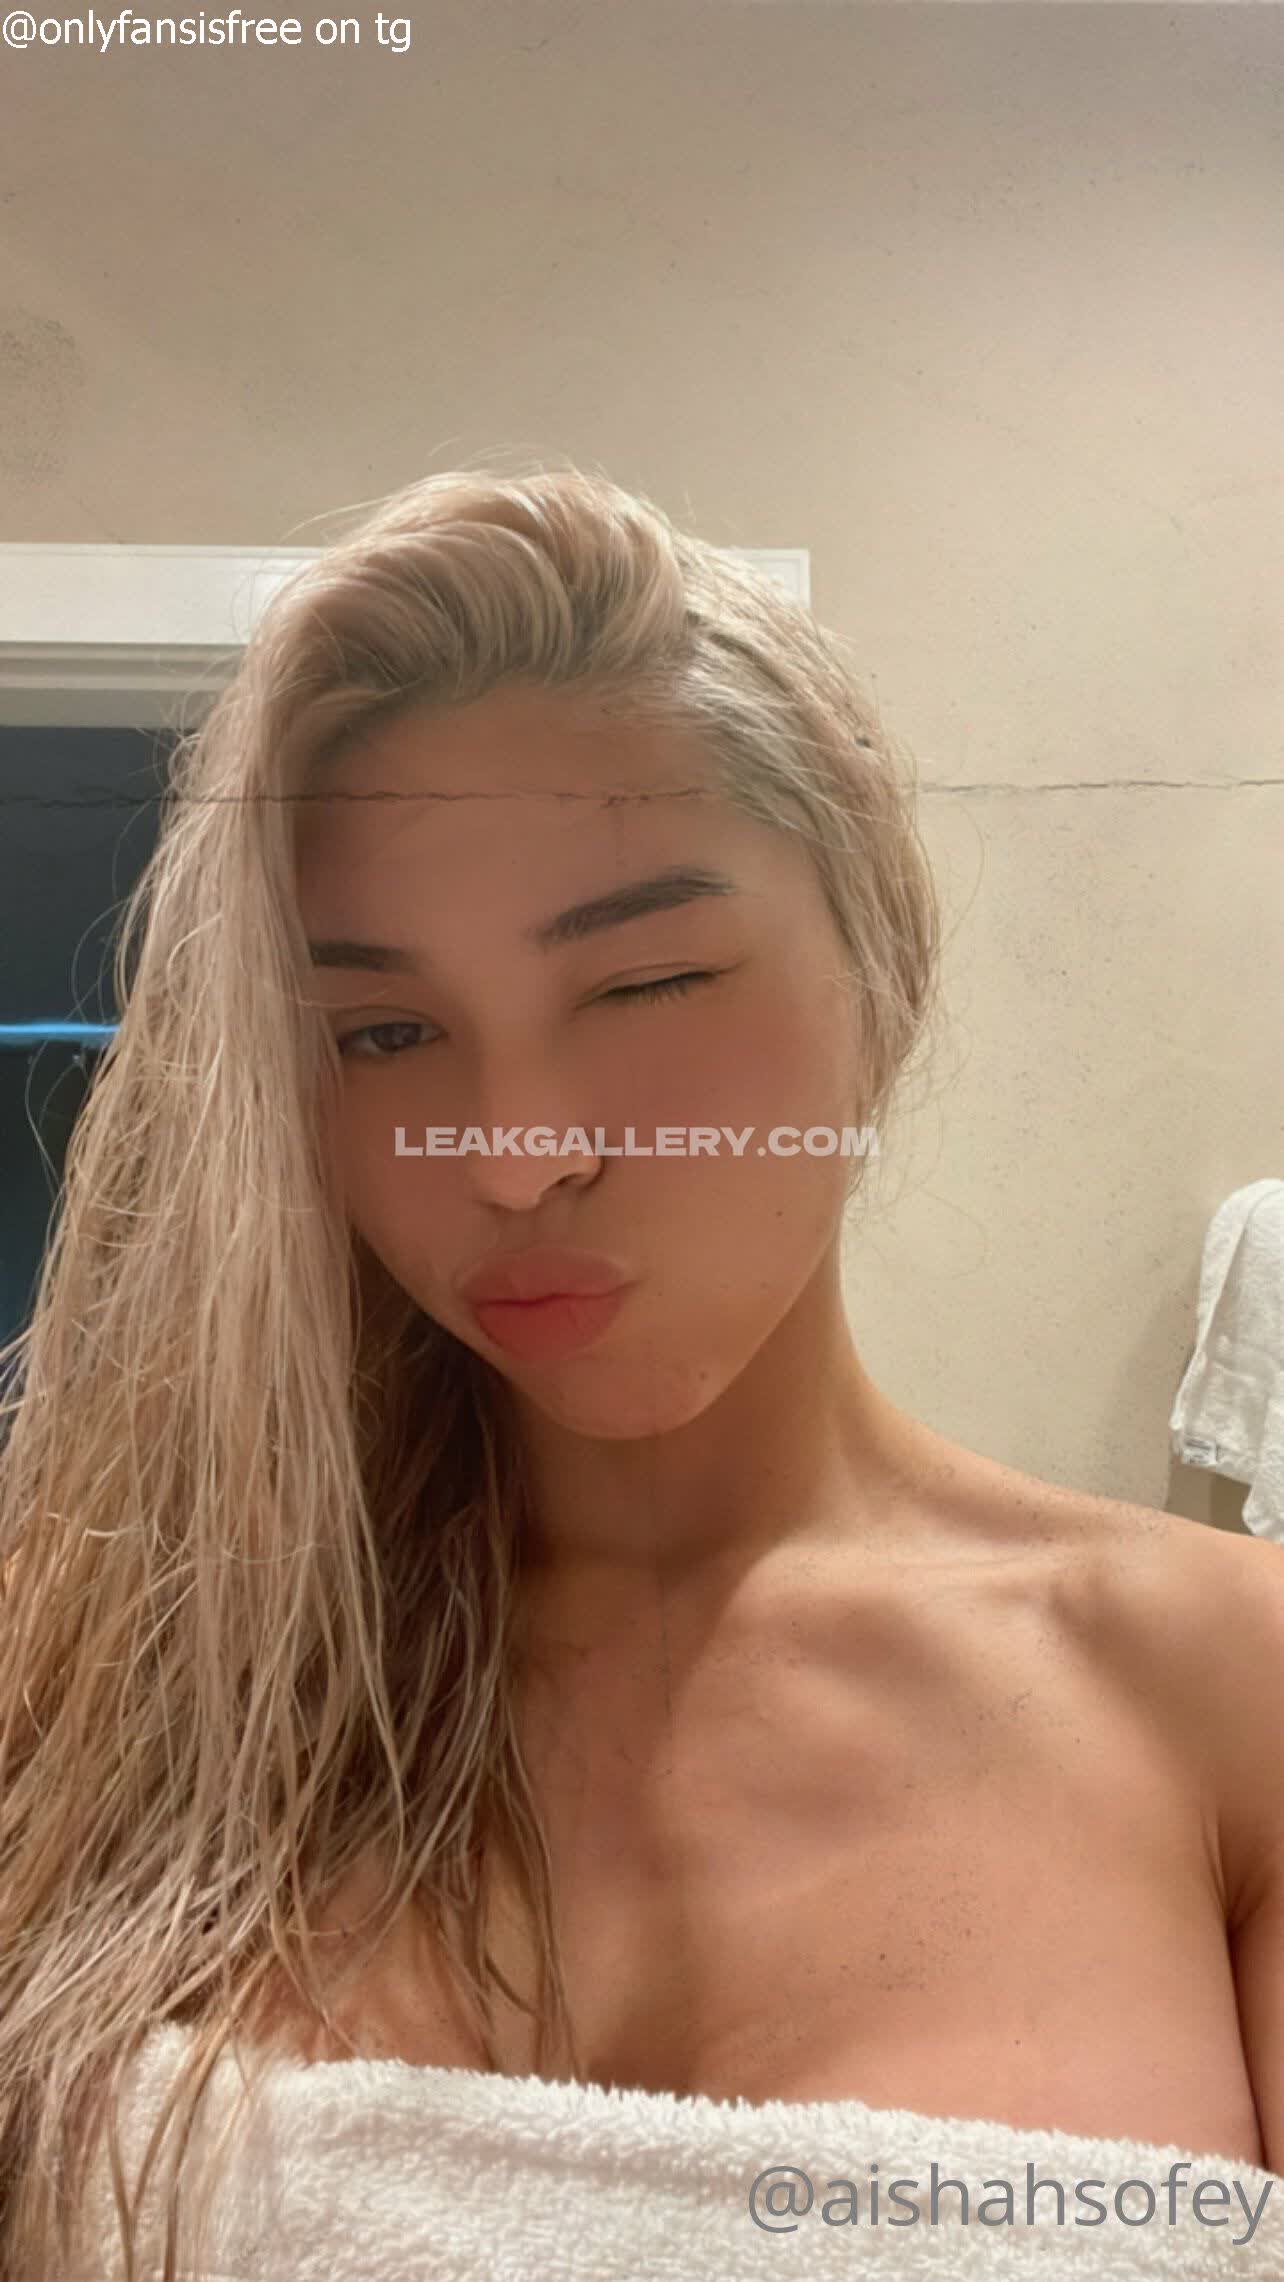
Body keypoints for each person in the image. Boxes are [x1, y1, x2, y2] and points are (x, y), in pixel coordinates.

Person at [1, 463, 1281, 2282]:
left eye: (644, 984)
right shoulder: (127, 1679)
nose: (518, 1153)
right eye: (384, 1029)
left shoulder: (1227, 1693)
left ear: (879, 964)